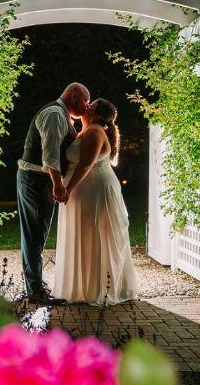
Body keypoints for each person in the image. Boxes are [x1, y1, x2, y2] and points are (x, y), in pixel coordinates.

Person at [51, 97, 138, 305]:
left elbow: (85, 165)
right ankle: (80, 287)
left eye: (92, 105)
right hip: (84, 189)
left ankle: (97, 288)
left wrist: (67, 189)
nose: (87, 105)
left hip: (93, 189)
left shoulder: (95, 132)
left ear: (97, 114)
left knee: (94, 234)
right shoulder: (86, 131)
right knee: (86, 234)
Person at [16, 82, 89, 303]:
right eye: (85, 101)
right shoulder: (55, 114)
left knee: (37, 234)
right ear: (74, 95)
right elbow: (50, 156)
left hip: (39, 180)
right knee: (35, 235)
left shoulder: (62, 115)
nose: (86, 106)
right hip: (37, 180)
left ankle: (35, 287)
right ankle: (35, 291)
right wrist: (58, 184)